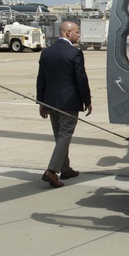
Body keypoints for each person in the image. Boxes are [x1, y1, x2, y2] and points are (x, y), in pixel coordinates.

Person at [36, 20, 92, 188]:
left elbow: (41, 79)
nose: (79, 35)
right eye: (77, 32)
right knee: (65, 136)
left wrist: (41, 102)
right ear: (68, 33)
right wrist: (87, 101)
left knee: (59, 136)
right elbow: (81, 79)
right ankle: (52, 171)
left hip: (51, 102)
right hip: (69, 102)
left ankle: (65, 169)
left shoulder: (46, 52)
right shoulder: (74, 53)